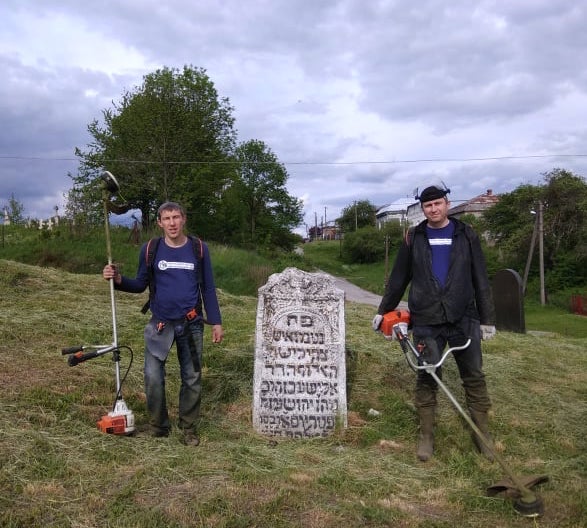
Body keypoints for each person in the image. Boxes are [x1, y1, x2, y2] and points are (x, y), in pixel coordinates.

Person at [372, 184, 496, 462]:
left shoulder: (467, 235)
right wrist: (384, 310)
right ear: (423, 209)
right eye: (428, 206)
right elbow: (398, 278)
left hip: (463, 317)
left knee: (474, 376)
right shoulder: (413, 237)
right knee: (427, 375)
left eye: (438, 204)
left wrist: (487, 320)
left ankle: (482, 434)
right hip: (426, 320)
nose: (434, 209)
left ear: (447, 204)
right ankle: (426, 436)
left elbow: (480, 279)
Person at [103, 201, 224, 446]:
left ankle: (188, 427)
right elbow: (139, 284)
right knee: (153, 376)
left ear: (184, 219)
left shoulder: (199, 249)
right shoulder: (151, 249)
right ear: (159, 222)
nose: (172, 223)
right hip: (160, 324)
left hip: (192, 325)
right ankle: (159, 426)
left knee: (191, 377)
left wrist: (216, 321)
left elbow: (208, 287)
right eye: (166, 218)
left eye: (176, 217)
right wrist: (117, 279)